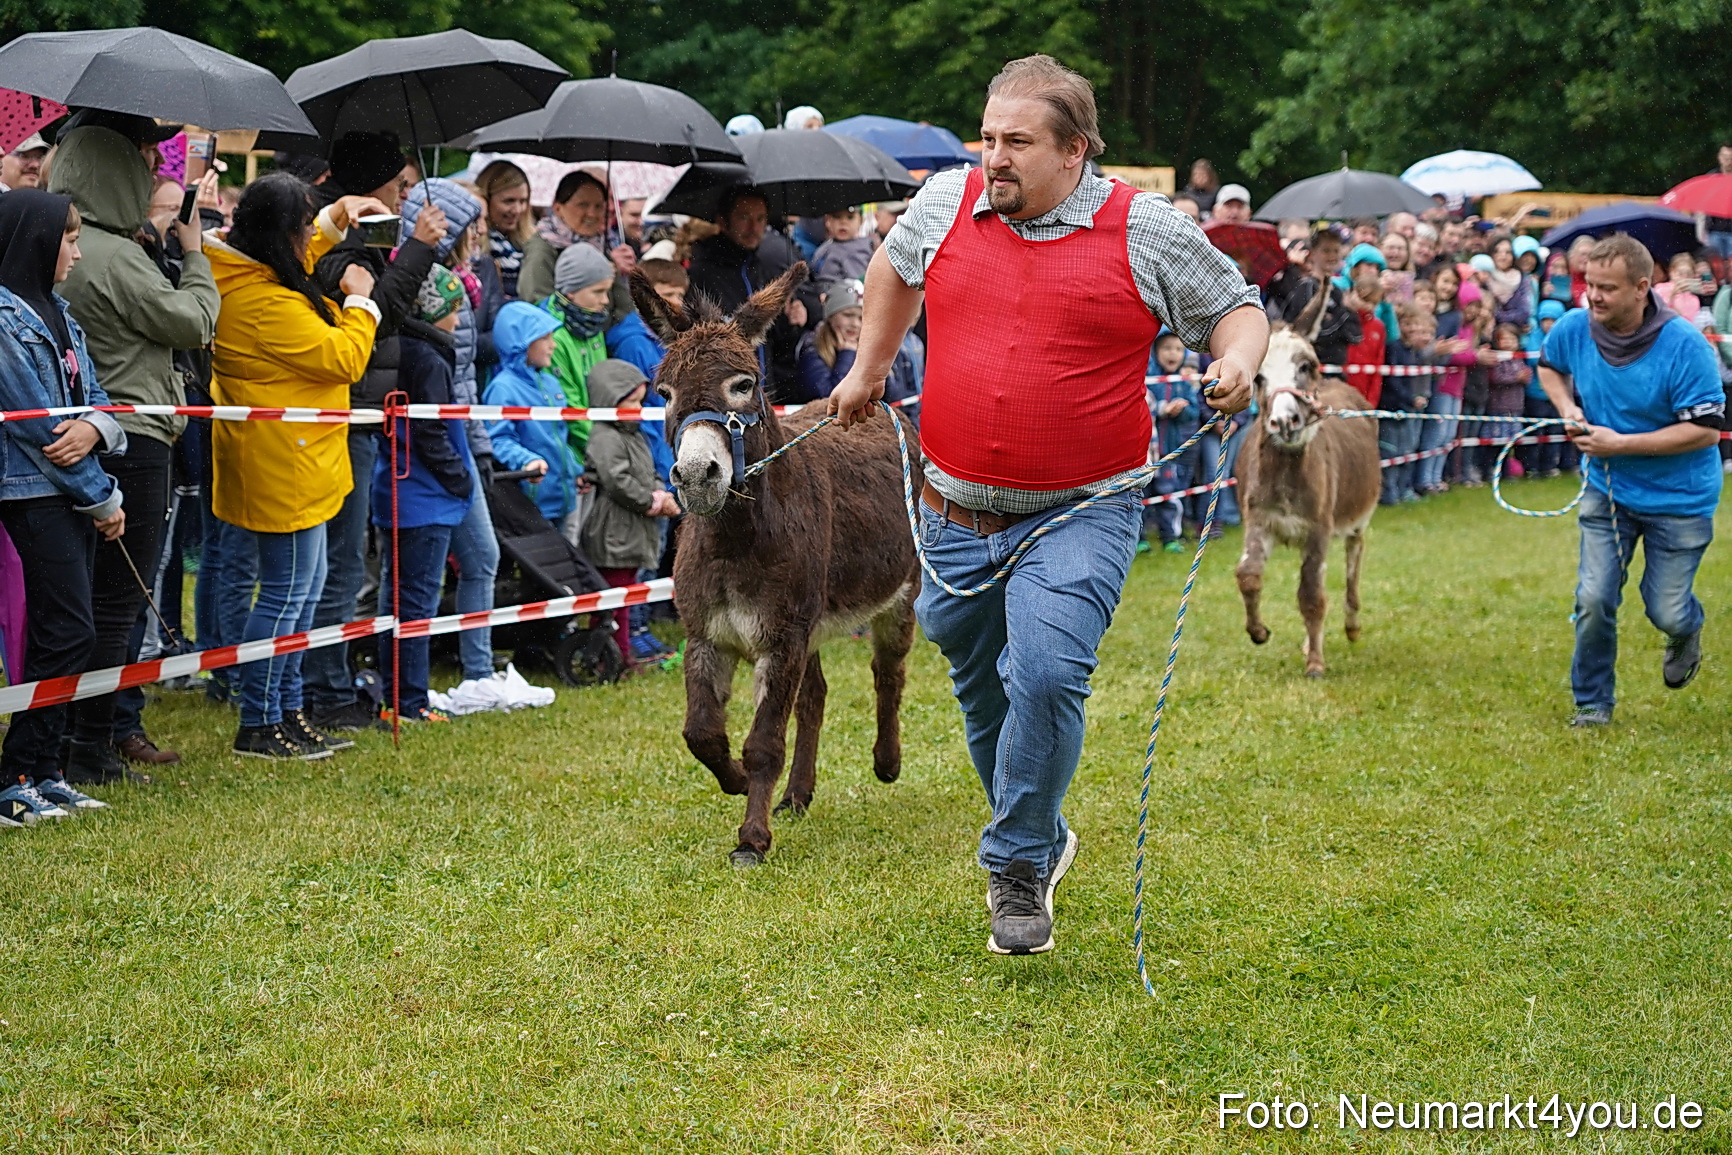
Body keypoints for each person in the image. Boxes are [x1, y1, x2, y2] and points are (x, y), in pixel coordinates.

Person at [825, 54, 1267, 957]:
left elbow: (1237, 308)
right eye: (987, 138)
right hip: (951, 508)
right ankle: (1043, 830)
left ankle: (1017, 863)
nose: (994, 157)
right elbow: (892, 269)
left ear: (1075, 152)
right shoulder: (947, 203)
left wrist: (1238, 362)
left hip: (1082, 508)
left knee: (1048, 675)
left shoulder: (1143, 229)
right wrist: (870, 366)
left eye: (1017, 142)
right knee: (979, 681)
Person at [47, 120, 221, 780]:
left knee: (80, 601)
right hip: (135, 435)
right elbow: (195, 320)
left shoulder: (58, 238)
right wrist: (196, 253)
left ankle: (69, 740)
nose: (152, 176)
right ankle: (92, 750)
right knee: (119, 604)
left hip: (76, 434)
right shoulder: (114, 254)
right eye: (141, 165)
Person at [204, 174, 385, 760]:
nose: (311, 237)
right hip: (281, 464)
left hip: (299, 459)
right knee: (284, 597)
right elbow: (344, 357)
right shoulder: (261, 303)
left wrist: (338, 213)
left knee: (300, 598)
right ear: (278, 235)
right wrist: (359, 299)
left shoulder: (249, 270)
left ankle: (285, 711)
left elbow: (298, 253)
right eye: (302, 226)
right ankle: (259, 721)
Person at [1536, 233, 1724, 728]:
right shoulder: (1576, 327)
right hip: (1609, 489)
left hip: (1680, 499)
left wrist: (1619, 444)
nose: (1593, 296)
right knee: (1594, 598)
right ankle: (1592, 703)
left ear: (1642, 288)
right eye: (1589, 285)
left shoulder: (1685, 346)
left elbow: (1705, 432)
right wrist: (1567, 407)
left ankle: (1687, 629)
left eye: (1607, 288)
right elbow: (1549, 367)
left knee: (1666, 609)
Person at [301, 132, 445, 734]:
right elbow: (375, 315)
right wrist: (417, 249)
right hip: (343, 411)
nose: (406, 192)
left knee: (339, 558)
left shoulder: (364, 230)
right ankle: (324, 686)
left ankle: (326, 678)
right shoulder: (333, 236)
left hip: (359, 408)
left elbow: (392, 312)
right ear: (371, 182)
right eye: (400, 182)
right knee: (335, 561)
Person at [0, 189, 125, 818]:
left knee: (69, 632)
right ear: (33, 242)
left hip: (74, 492)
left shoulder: (62, 314)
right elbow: (39, 429)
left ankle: (45, 771)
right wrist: (103, 498)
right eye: (68, 240)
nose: (77, 253)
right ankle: (17, 772)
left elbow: (101, 401)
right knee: (66, 630)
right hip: (33, 495)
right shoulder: (2, 319)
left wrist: (100, 430)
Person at [398, 178, 508, 711]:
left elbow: (463, 385)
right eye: (474, 225)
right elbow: (450, 389)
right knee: (425, 579)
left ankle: (478, 670)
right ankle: (420, 685)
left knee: (478, 558)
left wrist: (478, 445)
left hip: (463, 439)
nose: (481, 234)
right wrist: (468, 459)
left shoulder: (461, 284)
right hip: (442, 452)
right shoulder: (440, 289)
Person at [375, 266, 473, 725]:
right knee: (414, 605)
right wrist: (460, 479)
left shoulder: (401, 348)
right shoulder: (429, 359)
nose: (458, 320)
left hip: (399, 490)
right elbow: (431, 431)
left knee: (394, 601)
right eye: (453, 309)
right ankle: (409, 702)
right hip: (424, 496)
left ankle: (394, 694)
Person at [582, 359, 676, 668]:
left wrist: (660, 492)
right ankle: (610, 655)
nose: (638, 408)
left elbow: (647, 471)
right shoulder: (606, 437)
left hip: (634, 528)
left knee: (626, 594)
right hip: (615, 530)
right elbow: (617, 480)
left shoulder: (634, 435)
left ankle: (620, 653)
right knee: (613, 597)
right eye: (631, 401)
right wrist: (650, 500)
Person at [685, 186, 818, 402]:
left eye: (760, 218)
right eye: (743, 217)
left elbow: (773, 344)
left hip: (764, 397)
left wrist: (791, 324)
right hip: (725, 400)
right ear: (722, 220)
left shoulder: (761, 268)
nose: (753, 227)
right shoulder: (703, 272)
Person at [542, 242, 616, 542]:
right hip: (572, 459)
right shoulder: (554, 337)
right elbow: (569, 407)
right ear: (570, 292)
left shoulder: (593, 328)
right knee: (568, 541)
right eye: (597, 292)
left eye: (607, 291)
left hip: (595, 452)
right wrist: (607, 450)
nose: (606, 301)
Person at [484, 301, 577, 527]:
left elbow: (560, 438)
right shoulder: (502, 389)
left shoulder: (551, 383)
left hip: (565, 500)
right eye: (544, 338)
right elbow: (498, 440)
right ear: (520, 343)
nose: (553, 345)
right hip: (531, 504)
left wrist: (577, 469)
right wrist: (526, 461)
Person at [793, 280, 916, 403]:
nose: (855, 324)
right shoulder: (813, 346)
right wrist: (847, 354)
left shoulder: (873, 346)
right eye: (848, 315)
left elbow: (893, 396)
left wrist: (874, 362)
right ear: (831, 317)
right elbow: (827, 397)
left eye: (861, 318)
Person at [518, 170, 630, 304]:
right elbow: (537, 300)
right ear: (558, 208)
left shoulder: (604, 245)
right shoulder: (543, 248)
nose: (592, 214)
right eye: (583, 205)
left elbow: (622, 307)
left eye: (599, 206)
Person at [1143, 331, 1200, 551]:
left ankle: (1170, 537)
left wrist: (1182, 409)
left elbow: (1194, 413)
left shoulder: (1183, 383)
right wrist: (1161, 410)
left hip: (1172, 451)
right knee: (1144, 496)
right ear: (1156, 352)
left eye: (1178, 349)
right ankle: (1140, 539)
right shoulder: (1149, 379)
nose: (1172, 354)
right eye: (1167, 348)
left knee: (1170, 494)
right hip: (1147, 451)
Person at [1282, 226, 1360, 371]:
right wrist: (1343, 313)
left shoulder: (1337, 291)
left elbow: (1355, 336)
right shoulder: (1306, 287)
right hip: (1311, 371)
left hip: (1337, 371)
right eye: (1326, 250)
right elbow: (1313, 334)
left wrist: (1343, 314)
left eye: (1336, 251)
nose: (1332, 256)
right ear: (1313, 254)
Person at [475, 159, 533, 300]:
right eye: (509, 201)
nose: (517, 210)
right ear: (486, 199)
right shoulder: (473, 246)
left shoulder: (533, 242)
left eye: (523, 201)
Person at [810, 206, 874, 283]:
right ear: (828, 220)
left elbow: (857, 285)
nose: (843, 222)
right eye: (837, 217)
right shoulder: (825, 246)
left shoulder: (859, 250)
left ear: (861, 221)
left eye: (850, 217)